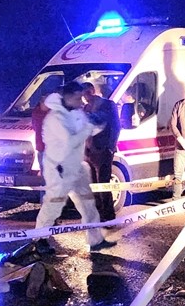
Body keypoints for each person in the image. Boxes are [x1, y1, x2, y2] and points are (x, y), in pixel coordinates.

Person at [32, 81, 114, 256]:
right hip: (59, 169)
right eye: (78, 98)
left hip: (76, 167)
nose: (82, 101)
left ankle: (95, 240)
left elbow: (88, 127)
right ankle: (39, 240)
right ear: (68, 97)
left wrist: (100, 122)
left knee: (88, 204)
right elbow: (71, 141)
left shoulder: (76, 112)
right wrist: (89, 128)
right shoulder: (54, 118)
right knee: (53, 206)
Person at [84, 83, 121, 222]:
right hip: (89, 152)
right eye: (84, 94)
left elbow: (116, 126)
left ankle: (109, 216)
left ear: (93, 91)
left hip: (103, 151)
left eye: (88, 92)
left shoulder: (108, 105)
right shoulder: (86, 108)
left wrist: (110, 146)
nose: (86, 96)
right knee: (93, 184)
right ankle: (99, 214)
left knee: (103, 184)